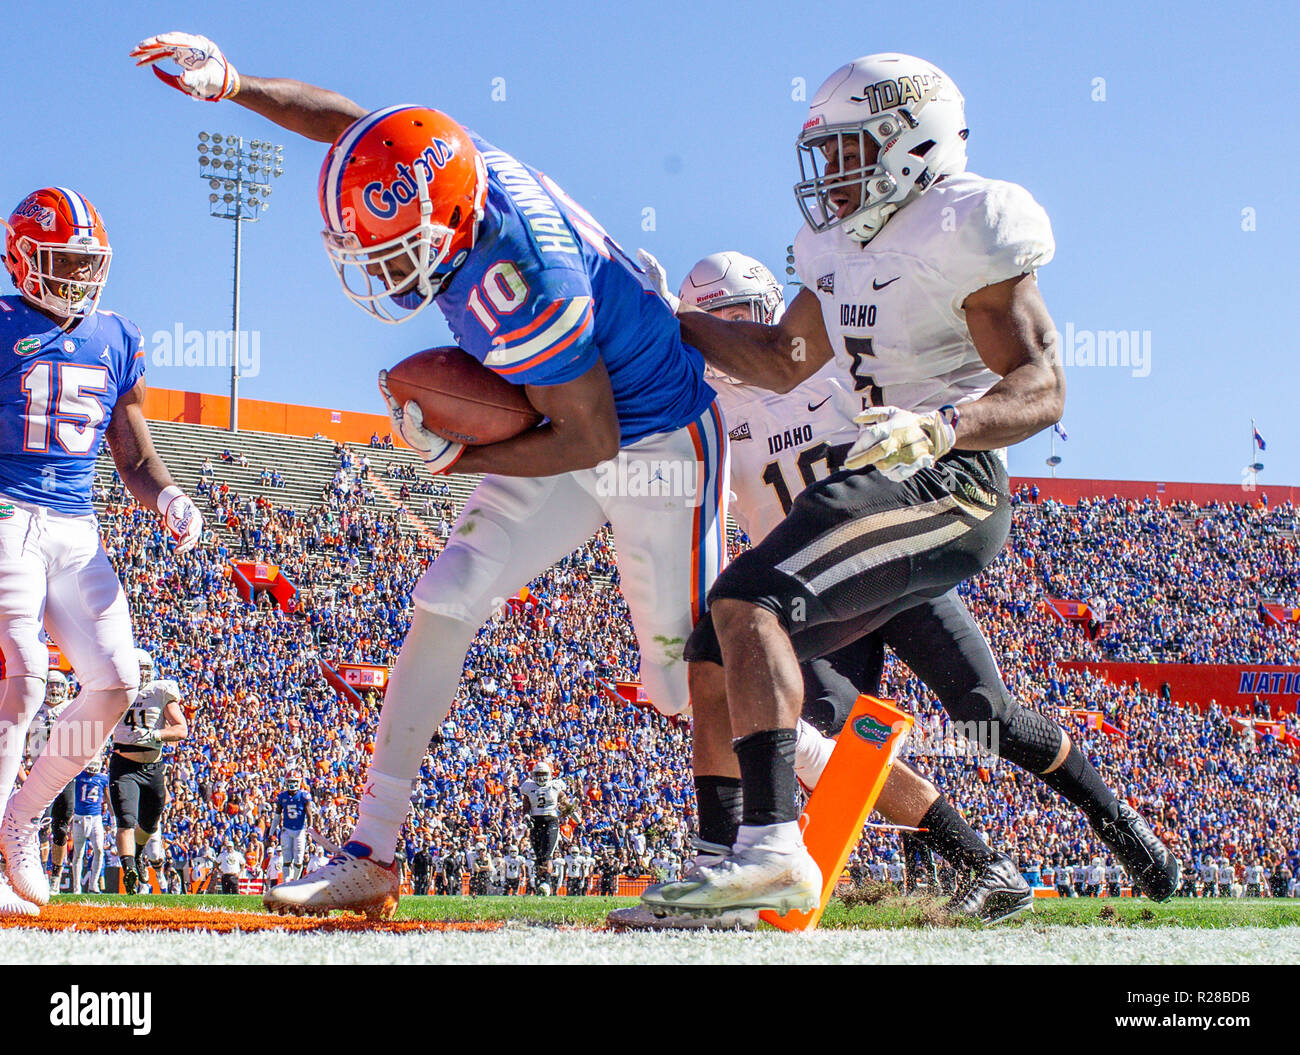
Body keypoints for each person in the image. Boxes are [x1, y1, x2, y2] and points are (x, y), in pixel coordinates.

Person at [131, 31, 727, 919]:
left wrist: (464, 457)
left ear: (448, 225)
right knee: (445, 595)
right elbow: (352, 127)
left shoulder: (525, 279)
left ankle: (799, 827)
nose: (374, 264)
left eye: (393, 248)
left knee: (689, 679)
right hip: (566, 415)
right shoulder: (444, 159)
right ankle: (371, 849)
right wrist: (234, 84)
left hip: (652, 444)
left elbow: (592, 435)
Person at [639, 53, 1177, 916]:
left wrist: (944, 423)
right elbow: (783, 360)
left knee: (977, 709)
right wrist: (665, 323)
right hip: (857, 517)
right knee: (722, 645)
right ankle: (728, 867)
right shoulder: (834, 248)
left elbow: (1043, 385)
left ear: (908, 139)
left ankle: (1117, 828)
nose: (832, 177)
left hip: (945, 482)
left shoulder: (968, 221)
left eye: (849, 151)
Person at [613, 253, 1034, 930]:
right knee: (818, 738)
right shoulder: (713, 409)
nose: (739, 332)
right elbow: (696, 506)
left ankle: (741, 859)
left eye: (751, 316)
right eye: (721, 320)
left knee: (964, 707)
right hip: (798, 595)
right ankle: (969, 855)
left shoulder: (832, 370)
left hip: (877, 568)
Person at [0, 187, 203, 916]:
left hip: (75, 525)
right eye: (60, 261)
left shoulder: (116, 334)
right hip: (6, 514)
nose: (76, 277)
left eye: (85, 262)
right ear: (22, 258)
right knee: (22, 684)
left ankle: (21, 815)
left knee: (115, 681)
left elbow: (133, 453)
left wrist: (170, 494)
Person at [108, 648, 189, 894]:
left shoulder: (159, 691)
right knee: (125, 820)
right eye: (137, 669)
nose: (141, 675)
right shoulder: (116, 692)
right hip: (124, 766)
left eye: (144, 670)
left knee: (150, 823)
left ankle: (139, 853)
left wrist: (155, 734)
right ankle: (129, 869)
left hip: (153, 767)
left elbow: (181, 729)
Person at [520, 762, 567, 892]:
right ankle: (542, 882)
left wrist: (578, 821)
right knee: (539, 855)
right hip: (535, 821)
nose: (540, 777)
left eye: (543, 774)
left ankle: (546, 882)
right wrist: (526, 817)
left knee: (547, 855)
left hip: (551, 820)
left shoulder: (555, 786)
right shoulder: (528, 786)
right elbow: (525, 807)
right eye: (538, 774)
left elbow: (566, 806)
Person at [69, 755, 110, 894]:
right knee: (78, 853)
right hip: (79, 818)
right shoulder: (78, 775)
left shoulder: (103, 778)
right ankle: (76, 888)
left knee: (99, 850)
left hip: (96, 818)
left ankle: (93, 884)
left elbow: (107, 795)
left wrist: (113, 814)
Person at [270, 773, 315, 882]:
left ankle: (295, 881)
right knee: (287, 858)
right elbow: (277, 815)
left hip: (300, 830)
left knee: (299, 858)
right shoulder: (282, 796)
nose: (292, 784)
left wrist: (310, 830)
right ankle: (286, 882)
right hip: (286, 829)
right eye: (290, 781)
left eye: (294, 781)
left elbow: (309, 815)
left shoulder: (304, 796)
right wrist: (271, 832)